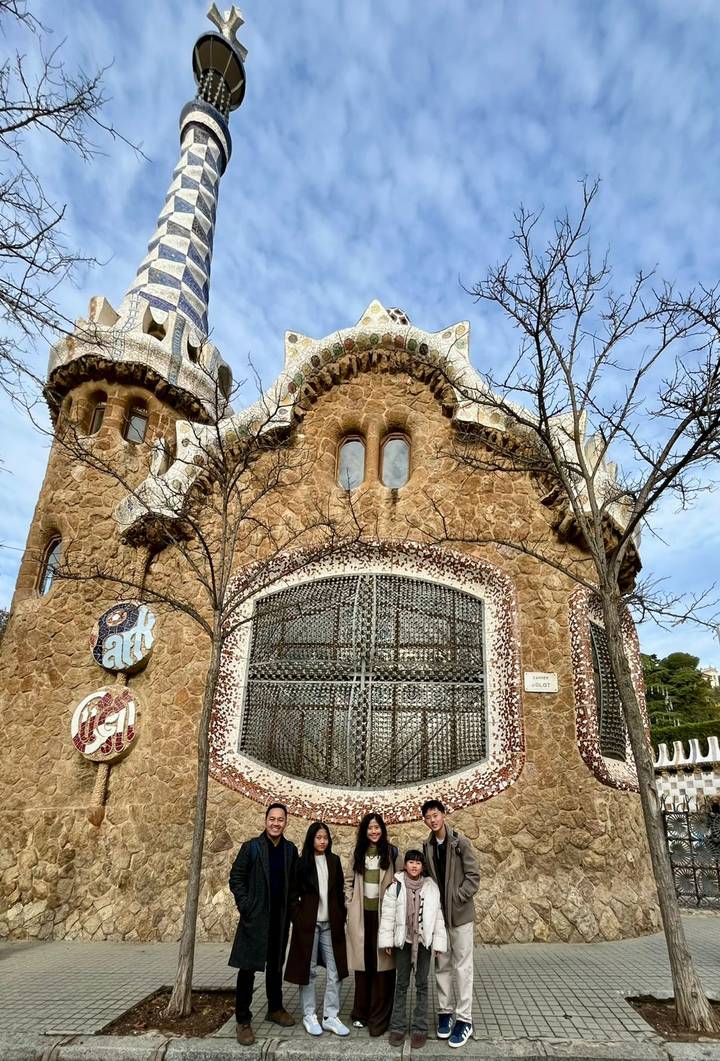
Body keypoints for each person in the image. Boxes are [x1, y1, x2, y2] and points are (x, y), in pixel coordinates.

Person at [228, 803, 298, 1046]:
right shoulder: (252, 848)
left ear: (285, 822)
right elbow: (236, 878)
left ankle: (275, 1008)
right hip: (256, 917)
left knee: (276, 966)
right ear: (265, 820)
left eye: (280, 820)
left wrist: (293, 911)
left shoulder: (290, 850)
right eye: (272, 819)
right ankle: (243, 1019)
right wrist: (247, 906)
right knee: (247, 969)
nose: (276, 823)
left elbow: (294, 883)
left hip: (280, 918)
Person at [422, 799, 480, 1049]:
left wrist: (458, 896)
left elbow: (474, 876)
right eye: (428, 817)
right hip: (439, 918)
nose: (433, 820)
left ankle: (464, 1019)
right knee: (442, 966)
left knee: (462, 967)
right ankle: (445, 1013)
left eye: (436, 815)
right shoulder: (426, 846)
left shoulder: (460, 843)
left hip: (461, 917)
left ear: (444, 815)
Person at [284, 821, 350, 1038]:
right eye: (318, 837)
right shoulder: (302, 863)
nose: (322, 841)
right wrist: (299, 918)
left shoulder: (334, 861)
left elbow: (340, 893)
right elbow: (292, 895)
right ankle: (309, 1014)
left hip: (331, 925)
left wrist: (341, 915)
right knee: (309, 970)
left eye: (325, 837)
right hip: (309, 925)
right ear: (311, 839)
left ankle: (331, 1016)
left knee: (336, 970)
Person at [379, 849, 447, 1049]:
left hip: (424, 944)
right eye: (410, 862)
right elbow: (388, 914)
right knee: (401, 985)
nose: (414, 866)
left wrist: (439, 943)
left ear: (423, 867)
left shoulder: (431, 887)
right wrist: (387, 941)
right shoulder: (396, 885)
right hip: (404, 942)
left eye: (418, 863)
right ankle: (398, 1027)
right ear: (405, 865)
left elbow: (438, 916)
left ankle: (420, 1028)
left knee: (422, 985)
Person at [346, 811, 401, 1036]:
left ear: (383, 830)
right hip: (362, 917)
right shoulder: (357, 853)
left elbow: (401, 883)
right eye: (370, 827)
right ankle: (360, 1013)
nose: (374, 831)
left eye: (377, 827)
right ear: (364, 830)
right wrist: (349, 904)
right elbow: (348, 882)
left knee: (383, 968)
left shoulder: (392, 853)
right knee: (364, 965)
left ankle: (379, 1017)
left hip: (384, 917)